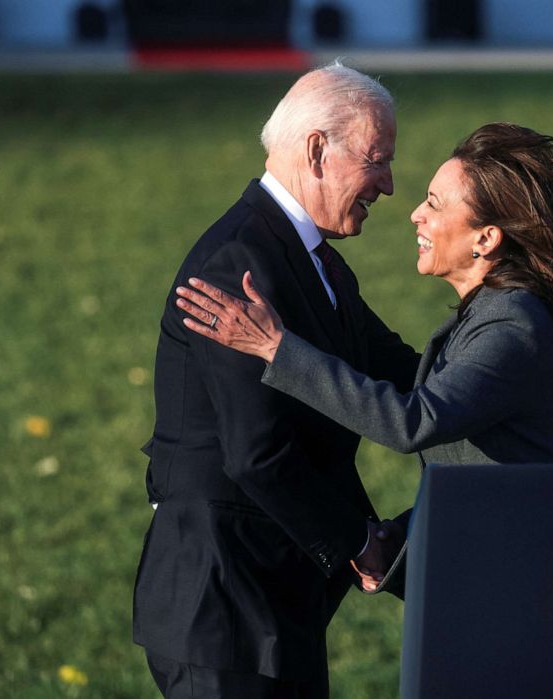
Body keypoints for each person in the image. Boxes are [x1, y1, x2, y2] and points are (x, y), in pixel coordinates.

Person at [175, 122, 553, 592]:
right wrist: (399, 537)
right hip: (492, 557)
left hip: (517, 575)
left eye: (435, 205)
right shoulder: (495, 310)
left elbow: (413, 421)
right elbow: (483, 463)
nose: (415, 214)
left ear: (485, 240)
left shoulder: (513, 324)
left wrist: (275, 348)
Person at [132, 63, 420, 699]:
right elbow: (257, 453)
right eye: (378, 160)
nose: (391, 186)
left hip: (271, 609)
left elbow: (398, 368)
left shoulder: (318, 263)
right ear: (317, 150)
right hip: (225, 611)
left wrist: (502, 357)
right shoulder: (238, 261)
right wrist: (359, 544)